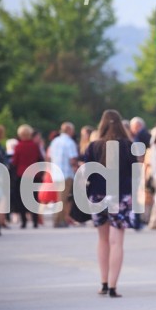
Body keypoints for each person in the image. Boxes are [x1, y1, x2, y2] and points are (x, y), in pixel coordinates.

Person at [83, 110, 138, 297]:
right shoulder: (129, 146)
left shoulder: (93, 146)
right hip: (120, 195)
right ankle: (114, 286)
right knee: (117, 242)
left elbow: (86, 173)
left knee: (102, 240)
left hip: (97, 195)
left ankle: (104, 283)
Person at [47, 122, 79, 228]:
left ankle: (63, 220)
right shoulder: (69, 142)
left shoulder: (55, 141)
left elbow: (49, 157)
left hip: (56, 173)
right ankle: (57, 221)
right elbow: (72, 159)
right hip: (66, 174)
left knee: (60, 197)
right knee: (63, 198)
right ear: (69, 130)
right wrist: (77, 169)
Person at [12, 124, 43, 229]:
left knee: (22, 198)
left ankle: (24, 221)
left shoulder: (18, 146)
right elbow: (40, 159)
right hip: (34, 174)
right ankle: (34, 221)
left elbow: (15, 162)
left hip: (22, 174)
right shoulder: (35, 146)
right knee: (34, 198)